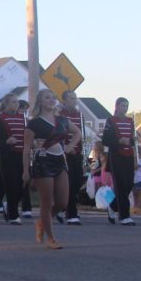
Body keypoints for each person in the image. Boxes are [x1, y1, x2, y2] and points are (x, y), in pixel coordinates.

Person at [22, 89, 69, 249]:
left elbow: (76, 133)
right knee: (47, 202)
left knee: (62, 202)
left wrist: (69, 146)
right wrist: (26, 170)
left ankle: (42, 222)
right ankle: (50, 238)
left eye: (53, 97)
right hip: (43, 162)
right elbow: (27, 148)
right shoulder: (34, 123)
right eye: (47, 97)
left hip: (59, 162)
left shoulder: (61, 120)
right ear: (40, 102)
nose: (51, 100)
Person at [0, 94, 27, 225]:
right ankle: (13, 215)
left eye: (17, 102)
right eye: (13, 102)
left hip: (23, 155)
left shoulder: (23, 119)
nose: (16, 104)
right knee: (12, 184)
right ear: (6, 104)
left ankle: (9, 206)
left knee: (23, 185)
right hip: (7, 155)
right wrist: (5, 141)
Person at [101, 97, 137, 226]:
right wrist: (118, 142)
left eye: (127, 106)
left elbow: (133, 140)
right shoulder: (111, 121)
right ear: (116, 106)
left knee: (129, 184)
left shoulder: (130, 121)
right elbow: (105, 140)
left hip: (128, 156)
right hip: (116, 156)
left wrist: (132, 142)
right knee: (120, 185)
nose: (125, 108)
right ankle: (124, 216)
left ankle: (112, 206)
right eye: (123, 105)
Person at [59, 90, 85, 224]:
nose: (74, 100)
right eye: (71, 98)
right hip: (64, 153)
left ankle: (59, 206)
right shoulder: (59, 114)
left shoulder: (79, 115)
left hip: (77, 153)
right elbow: (57, 134)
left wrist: (82, 151)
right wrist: (66, 148)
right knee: (69, 183)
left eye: (75, 98)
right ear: (64, 100)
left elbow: (81, 134)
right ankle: (71, 214)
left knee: (78, 181)